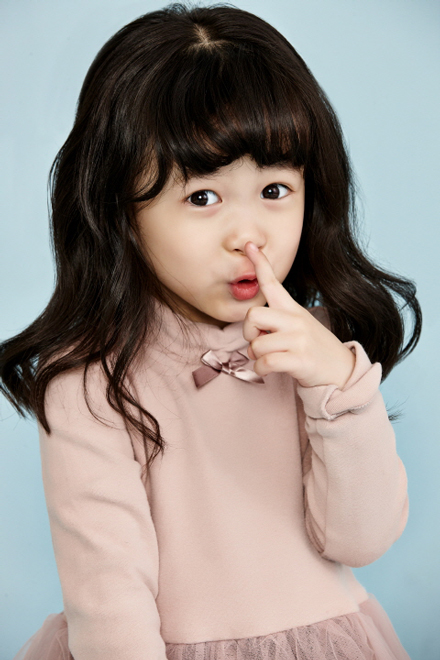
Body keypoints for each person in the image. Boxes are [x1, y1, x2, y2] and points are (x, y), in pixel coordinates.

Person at [1, 3, 422, 659]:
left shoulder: (314, 345)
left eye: (275, 190)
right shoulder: (94, 382)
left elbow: (361, 539)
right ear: (121, 211)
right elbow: (110, 609)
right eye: (203, 197)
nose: (248, 235)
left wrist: (340, 388)